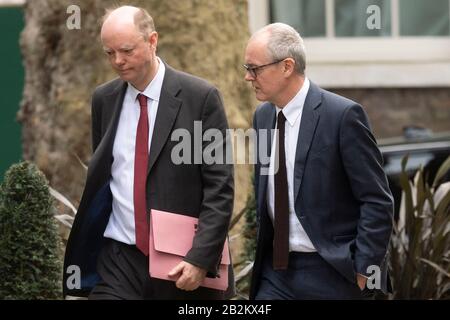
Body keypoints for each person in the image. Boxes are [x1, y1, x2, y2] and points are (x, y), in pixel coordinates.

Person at [63, 5, 234, 300]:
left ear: (152, 40)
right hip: (119, 259)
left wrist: (200, 258)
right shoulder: (104, 99)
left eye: (127, 50)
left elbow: (219, 187)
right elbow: (105, 176)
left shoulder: (200, 98)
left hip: (180, 261)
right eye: (109, 53)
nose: (118, 61)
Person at [245, 23, 394, 300]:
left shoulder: (343, 116)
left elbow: (377, 200)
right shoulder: (262, 117)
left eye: (254, 68)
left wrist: (364, 271)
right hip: (275, 273)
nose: (248, 77)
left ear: (287, 66)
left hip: (333, 273)